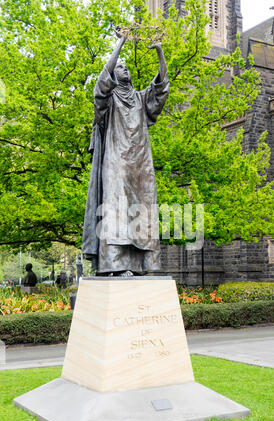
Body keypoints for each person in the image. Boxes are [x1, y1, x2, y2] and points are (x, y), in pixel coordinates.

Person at [82, 28, 169, 277]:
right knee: (115, 211)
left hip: (141, 164)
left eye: (127, 68)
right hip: (115, 162)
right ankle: (114, 266)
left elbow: (161, 89)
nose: (125, 69)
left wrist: (160, 51)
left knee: (143, 212)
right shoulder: (108, 102)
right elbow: (101, 84)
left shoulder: (141, 100)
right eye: (121, 67)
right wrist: (120, 42)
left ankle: (141, 265)